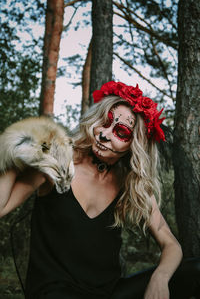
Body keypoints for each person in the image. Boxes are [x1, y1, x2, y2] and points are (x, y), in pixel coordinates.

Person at [0, 81, 199, 299]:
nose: (104, 134)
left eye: (121, 131)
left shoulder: (131, 184)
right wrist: (11, 157)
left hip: (109, 294)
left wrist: (160, 277)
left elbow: (171, 244)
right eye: (103, 122)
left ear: (135, 144)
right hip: (53, 292)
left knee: (193, 271)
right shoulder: (57, 160)